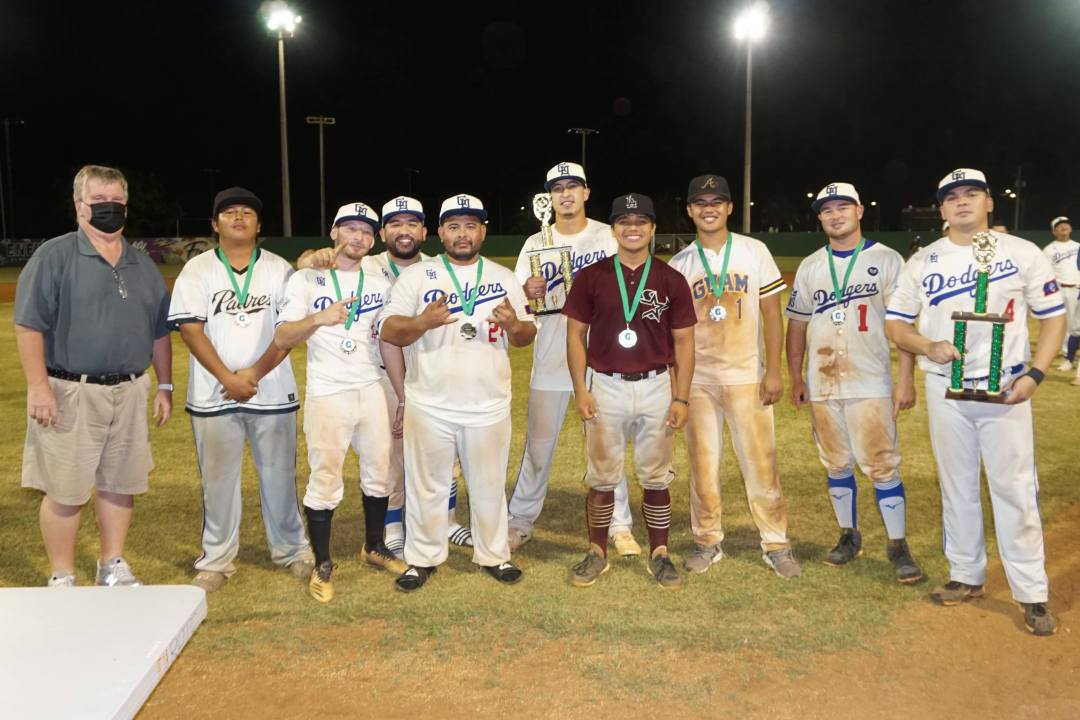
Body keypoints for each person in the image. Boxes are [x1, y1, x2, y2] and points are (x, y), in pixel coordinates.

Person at [885, 168, 1066, 636]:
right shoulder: (923, 262)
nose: (961, 202)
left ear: (989, 203)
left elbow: (1054, 318)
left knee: (1015, 489)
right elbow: (896, 324)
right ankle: (966, 575)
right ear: (941, 209)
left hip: (1007, 390)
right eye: (952, 197)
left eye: (972, 194)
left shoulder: (1022, 253)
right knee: (956, 486)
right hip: (946, 387)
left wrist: (1037, 374)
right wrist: (926, 346)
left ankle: (1031, 592)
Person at [16, 164, 172, 587]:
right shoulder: (55, 255)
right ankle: (62, 573)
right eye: (98, 202)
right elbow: (29, 325)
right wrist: (38, 386)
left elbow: (159, 330)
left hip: (129, 389)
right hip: (71, 391)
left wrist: (164, 384)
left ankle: (112, 564)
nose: (109, 209)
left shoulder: (142, 263)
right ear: (78, 205)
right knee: (66, 489)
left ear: (127, 205)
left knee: (121, 483)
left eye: (116, 202)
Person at [300, 196, 474, 558]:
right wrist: (310, 257)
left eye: (412, 223)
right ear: (383, 232)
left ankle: (449, 519)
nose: (404, 231)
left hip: (429, 371)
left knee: (445, 452)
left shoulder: (438, 267)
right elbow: (317, 267)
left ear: (425, 231)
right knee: (389, 457)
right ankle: (393, 524)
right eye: (396, 224)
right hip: (378, 374)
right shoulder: (369, 265)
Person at [379, 194, 535, 592]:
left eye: (470, 225)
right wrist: (422, 322)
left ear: (483, 231)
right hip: (430, 402)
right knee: (427, 484)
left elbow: (525, 336)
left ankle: (494, 554)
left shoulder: (502, 278)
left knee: (488, 483)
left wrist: (515, 324)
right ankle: (422, 558)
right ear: (440, 233)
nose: (462, 234)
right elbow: (390, 330)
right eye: (453, 226)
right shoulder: (417, 277)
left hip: (488, 402)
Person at [168, 187, 314, 593]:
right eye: (228, 213)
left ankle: (291, 550)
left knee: (280, 477)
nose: (238, 218)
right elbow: (190, 330)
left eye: (247, 213)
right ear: (215, 225)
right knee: (217, 481)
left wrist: (252, 374)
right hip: (214, 395)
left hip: (272, 391)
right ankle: (216, 559)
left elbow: (289, 332)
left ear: (259, 224)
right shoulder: (197, 270)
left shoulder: (280, 270)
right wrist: (228, 378)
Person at [786, 182, 921, 583]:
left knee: (881, 464)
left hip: (871, 379)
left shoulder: (888, 259)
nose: (835, 215)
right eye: (827, 210)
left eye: (843, 207)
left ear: (860, 211)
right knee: (836, 462)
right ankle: (849, 535)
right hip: (823, 382)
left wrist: (905, 379)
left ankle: (897, 544)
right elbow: (797, 325)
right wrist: (794, 374)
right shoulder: (811, 265)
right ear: (820, 218)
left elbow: (903, 325)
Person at [667, 174, 800, 579]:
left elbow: (773, 313)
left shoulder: (753, 250)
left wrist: (774, 370)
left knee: (762, 463)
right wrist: (678, 390)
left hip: (747, 375)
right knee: (702, 465)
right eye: (700, 202)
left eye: (717, 201)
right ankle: (707, 540)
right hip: (700, 381)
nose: (709, 208)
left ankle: (776, 542)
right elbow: (674, 334)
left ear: (729, 208)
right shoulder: (680, 264)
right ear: (689, 210)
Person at [563, 193, 696, 589]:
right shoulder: (592, 276)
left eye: (641, 221)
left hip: (656, 385)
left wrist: (681, 396)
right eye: (624, 221)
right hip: (606, 385)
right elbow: (574, 336)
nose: (632, 228)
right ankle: (597, 551)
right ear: (614, 229)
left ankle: (660, 553)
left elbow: (685, 343)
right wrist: (580, 390)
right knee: (602, 476)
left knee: (656, 476)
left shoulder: (670, 278)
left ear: (653, 228)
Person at [275, 202, 407, 602]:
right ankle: (323, 563)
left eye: (366, 232)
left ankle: (374, 546)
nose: (358, 237)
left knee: (379, 472)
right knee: (326, 478)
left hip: (370, 387)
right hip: (328, 391)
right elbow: (282, 337)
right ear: (333, 233)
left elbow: (388, 340)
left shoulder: (380, 284)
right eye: (349, 229)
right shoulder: (305, 279)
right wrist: (319, 318)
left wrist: (401, 396)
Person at [506, 162, 638, 556]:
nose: (565, 194)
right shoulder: (535, 242)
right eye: (557, 188)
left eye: (572, 186)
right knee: (538, 447)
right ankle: (521, 520)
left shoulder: (606, 237)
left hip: (601, 358)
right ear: (549, 197)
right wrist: (528, 291)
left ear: (586, 192)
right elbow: (518, 304)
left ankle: (619, 524)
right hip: (550, 356)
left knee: (606, 444)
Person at [1042, 217, 1080, 375]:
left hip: (1077, 289)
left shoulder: (1078, 246)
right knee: (1060, 321)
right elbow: (1045, 273)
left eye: (1066, 224)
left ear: (1071, 228)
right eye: (1059, 226)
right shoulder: (1049, 249)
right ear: (1053, 231)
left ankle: (1068, 354)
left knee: (1074, 324)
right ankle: (1065, 352)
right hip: (1060, 289)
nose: (1064, 227)